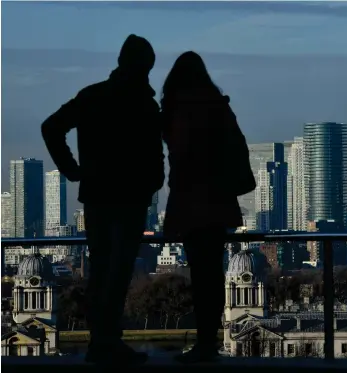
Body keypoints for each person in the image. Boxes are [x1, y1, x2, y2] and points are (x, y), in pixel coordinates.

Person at [41, 34, 164, 364]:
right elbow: (155, 154)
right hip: (130, 198)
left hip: (97, 197)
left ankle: (102, 340)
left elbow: (51, 127)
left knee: (102, 269)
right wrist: (153, 182)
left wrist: (74, 170)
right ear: (143, 66)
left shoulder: (93, 96)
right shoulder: (144, 104)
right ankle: (108, 341)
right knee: (119, 269)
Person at [161, 51, 255, 363]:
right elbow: (238, 147)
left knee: (201, 274)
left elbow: (178, 158)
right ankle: (207, 342)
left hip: (190, 202)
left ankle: (204, 343)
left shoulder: (175, 110)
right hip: (216, 201)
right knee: (211, 273)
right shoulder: (218, 107)